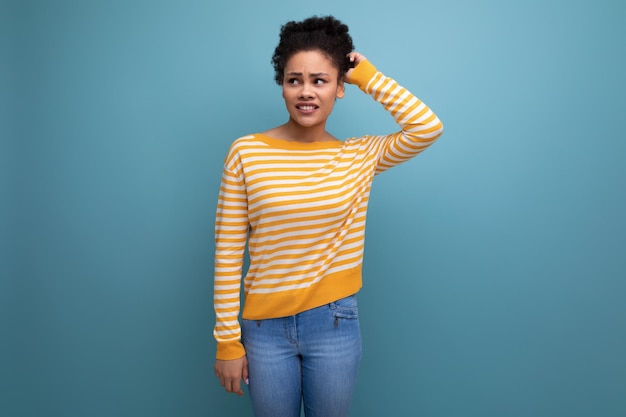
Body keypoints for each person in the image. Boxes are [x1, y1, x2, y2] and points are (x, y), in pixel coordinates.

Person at [213, 15, 443, 417]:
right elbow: (228, 250)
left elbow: (426, 127)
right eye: (294, 79)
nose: (306, 92)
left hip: (334, 322)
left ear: (340, 87)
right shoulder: (246, 152)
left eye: (320, 80)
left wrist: (368, 75)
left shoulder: (359, 155)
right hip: (264, 330)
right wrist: (228, 341)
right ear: (282, 85)